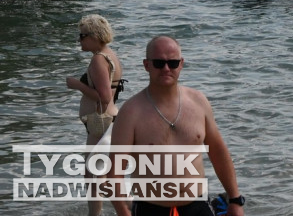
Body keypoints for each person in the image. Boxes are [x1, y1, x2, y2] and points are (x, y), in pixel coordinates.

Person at [110, 35, 244, 216]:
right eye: (159, 63)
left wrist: (235, 200)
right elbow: (114, 172)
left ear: (181, 64)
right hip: (151, 208)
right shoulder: (131, 112)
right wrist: (123, 212)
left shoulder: (199, 102)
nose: (166, 68)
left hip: (197, 205)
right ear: (146, 65)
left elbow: (218, 152)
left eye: (172, 63)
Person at [66, 15, 124, 216]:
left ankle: (98, 214)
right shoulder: (110, 55)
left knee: (92, 174)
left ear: (95, 36)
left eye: (82, 36)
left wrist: (77, 85)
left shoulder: (99, 60)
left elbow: (104, 98)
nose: (79, 40)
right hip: (108, 120)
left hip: (101, 121)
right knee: (103, 174)